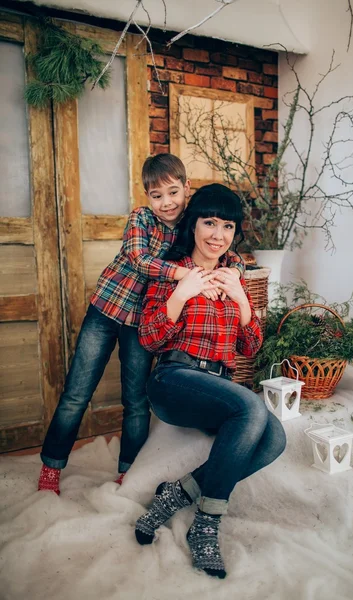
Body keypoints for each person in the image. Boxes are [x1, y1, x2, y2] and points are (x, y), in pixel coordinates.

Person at [38, 155, 245, 495]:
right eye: (157, 195)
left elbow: (228, 251)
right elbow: (139, 259)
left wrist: (233, 272)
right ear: (147, 197)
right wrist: (185, 274)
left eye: (173, 192)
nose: (166, 202)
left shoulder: (192, 222)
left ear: (186, 189)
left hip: (141, 323)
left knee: (135, 400)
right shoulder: (142, 218)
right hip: (106, 310)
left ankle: (127, 470)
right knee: (77, 392)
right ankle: (52, 464)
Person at [135, 183, 286, 579]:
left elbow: (250, 346)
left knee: (275, 439)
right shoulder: (172, 270)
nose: (218, 235)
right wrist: (181, 294)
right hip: (174, 380)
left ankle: (176, 494)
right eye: (210, 223)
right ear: (194, 224)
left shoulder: (233, 278)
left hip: (218, 386)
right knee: (251, 405)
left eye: (228, 227)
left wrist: (240, 300)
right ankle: (207, 524)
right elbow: (149, 338)